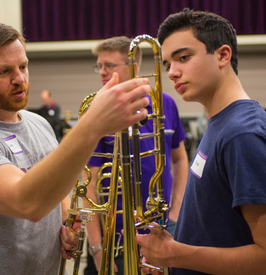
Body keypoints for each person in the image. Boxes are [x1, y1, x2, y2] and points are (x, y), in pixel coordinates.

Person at [0, 22, 151, 275]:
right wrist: (91, 124)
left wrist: (65, 223)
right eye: (4, 71)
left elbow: (56, 192)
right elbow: (27, 202)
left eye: (23, 66)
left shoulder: (39, 124)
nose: (20, 79)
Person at [136, 8, 266, 275]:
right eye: (168, 64)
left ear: (222, 55)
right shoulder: (221, 122)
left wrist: (174, 254)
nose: (172, 72)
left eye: (183, 58)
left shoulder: (242, 134)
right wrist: (171, 260)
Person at [83, 36, 188, 275]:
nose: (102, 72)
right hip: (116, 239)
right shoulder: (98, 110)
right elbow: (89, 185)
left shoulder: (166, 103)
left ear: (133, 66)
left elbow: (180, 159)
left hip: (161, 229)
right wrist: (98, 249)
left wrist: (176, 210)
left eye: (109, 65)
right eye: (99, 66)